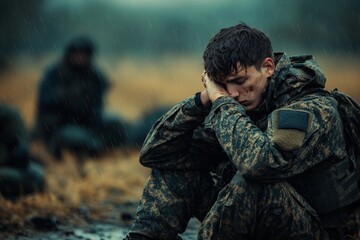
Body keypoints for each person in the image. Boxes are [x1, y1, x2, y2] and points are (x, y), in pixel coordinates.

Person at [125, 23, 360, 239]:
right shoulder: (240, 106)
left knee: (253, 182)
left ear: (268, 67)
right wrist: (202, 100)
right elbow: (156, 153)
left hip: (317, 231)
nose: (233, 93)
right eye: (223, 84)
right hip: (256, 221)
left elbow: (260, 164)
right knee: (176, 170)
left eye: (239, 80)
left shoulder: (313, 109)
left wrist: (222, 104)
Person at [32, 36, 130, 159]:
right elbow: (45, 101)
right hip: (61, 124)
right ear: (69, 54)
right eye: (77, 54)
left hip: (87, 122)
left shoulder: (95, 75)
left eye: (83, 54)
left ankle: (95, 146)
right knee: (73, 137)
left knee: (116, 125)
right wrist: (68, 97)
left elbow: (97, 105)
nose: (80, 58)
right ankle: (89, 147)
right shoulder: (55, 73)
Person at [0, 104, 45, 200]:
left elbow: (21, 154)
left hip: (10, 168)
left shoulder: (8, 114)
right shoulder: (9, 115)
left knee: (36, 173)